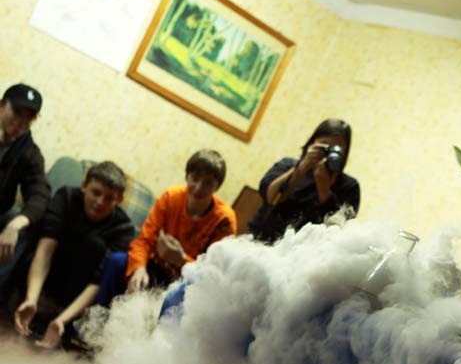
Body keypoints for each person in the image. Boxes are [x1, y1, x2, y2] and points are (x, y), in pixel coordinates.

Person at [13, 161, 134, 350]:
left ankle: (62, 324)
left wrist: (61, 321)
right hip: (45, 280)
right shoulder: (66, 197)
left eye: (109, 198)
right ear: (84, 186)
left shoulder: (124, 228)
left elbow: (97, 283)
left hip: (78, 296)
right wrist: (31, 299)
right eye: (96, 193)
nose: (100, 202)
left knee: (96, 248)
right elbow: (45, 250)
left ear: (119, 199)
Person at [97, 149, 236, 305]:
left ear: (217, 187)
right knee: (116, 261)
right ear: (187, 176)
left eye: (207, 183)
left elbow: (213, 275)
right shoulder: (171, 197)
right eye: (195, 179)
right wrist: (139, 268)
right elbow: (144, 240)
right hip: (156, 267)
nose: (198, 188)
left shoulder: (224, 219)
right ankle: (98, 316)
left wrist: (182, 260)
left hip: (187, 283)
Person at [248, 118, 360, 243]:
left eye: (336, 149)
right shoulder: (287, 165)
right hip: (261, 240)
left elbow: (339, 228)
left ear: (344, 154)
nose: (328, 153)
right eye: (324, 145)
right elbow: (270, 198)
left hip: (306, 250)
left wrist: (324, 188)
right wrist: (301, 169)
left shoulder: (349, 186)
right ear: (312, 144)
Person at [0, 83, 50, 291]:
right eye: (17, 112)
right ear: (2, 105)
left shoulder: (29, 152)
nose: (21, 122)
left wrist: (15, 225)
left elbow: (40, 194)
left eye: (29, 117)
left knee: (24, 228)